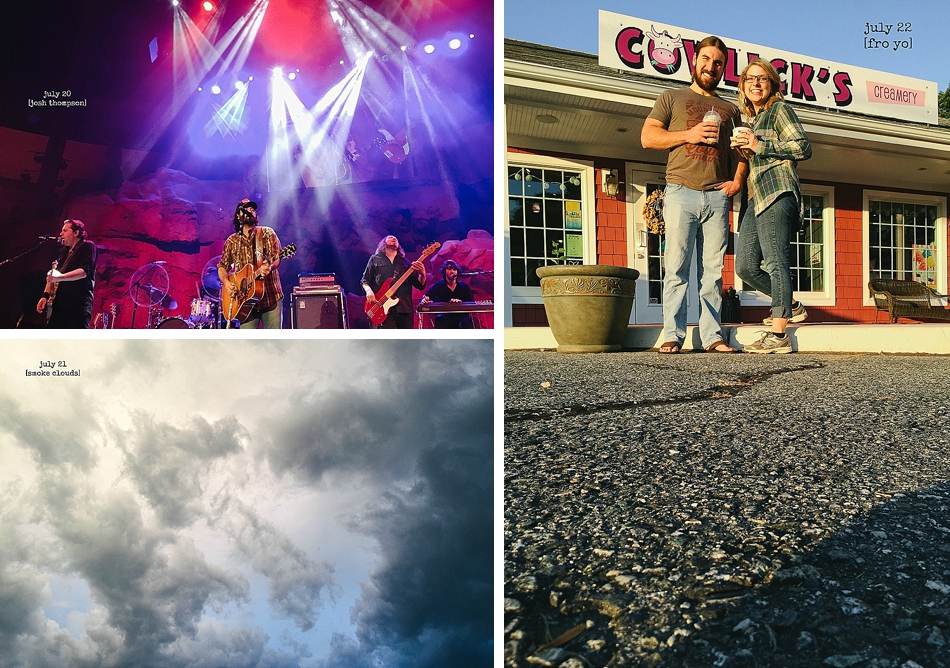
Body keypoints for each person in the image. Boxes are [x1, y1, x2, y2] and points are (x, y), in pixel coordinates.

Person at [641, 35, 748, 354]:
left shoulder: (730, 109)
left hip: (717, 198)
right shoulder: (671, 97)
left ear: (723, 69)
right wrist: (689, 134)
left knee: (712, 273)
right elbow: (648, 137)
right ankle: (672, 335)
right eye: (706, 59)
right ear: (694, 61)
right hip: (680, 192)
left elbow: (741, 152)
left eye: (718, 62)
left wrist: (738, 181)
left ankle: (712, 336)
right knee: (675, 268)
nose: (711, 66)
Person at [732, 59, 812, 354]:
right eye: (750, 79)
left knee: (776, 262)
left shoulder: (779, 110)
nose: (756, 83)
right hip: (755, 198)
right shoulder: (750, 121)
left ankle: (779, 336)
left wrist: (759, 146)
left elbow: (803, 147)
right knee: (745, 267)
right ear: (742, 85)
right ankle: (791, 304)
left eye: (763, 79)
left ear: (772, 85)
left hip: (777, 191)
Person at [217, 198, 283, 329]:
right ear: (238, 215)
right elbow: (222, 266)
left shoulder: (266, 233)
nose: (250, 212)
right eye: (246, 209)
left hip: (270, 298)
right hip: (244, 304)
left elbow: (276, 257)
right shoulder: (232, 241)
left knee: (275, 343)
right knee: (247, 346)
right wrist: (226, 282)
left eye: (252, 209)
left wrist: (269, 267)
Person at [36, 219, 97, 328]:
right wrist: (45, 295)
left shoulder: (88, 247)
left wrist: (60, 277)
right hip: (60, 305)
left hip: (78, 306)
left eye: (65, 230)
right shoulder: (63, 251)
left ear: (76, 233)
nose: (61, 234)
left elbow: (83, 272)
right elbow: (53, 275)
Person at [361, 234, 427, 329]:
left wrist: (423, 274)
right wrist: (368, 291)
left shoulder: (406, 262)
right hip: (382, 307)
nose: (394, 238)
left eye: (396, 239)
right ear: (383, 244)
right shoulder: (374, 259)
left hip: (405, 307)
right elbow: (365, 280)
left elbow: (419, 285)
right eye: (390, 237)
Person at [420, 259, 475, 328]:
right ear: (444, 271)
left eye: (454, 269)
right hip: (445, 317)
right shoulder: (438, 285)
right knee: (440, 319)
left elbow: (472, 303)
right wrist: (425, 300)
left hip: (462, 317)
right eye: (449, 269)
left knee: (468, 321)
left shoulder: (464, 286)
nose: (452, 271)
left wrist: (460, 303)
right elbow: (425, 298)